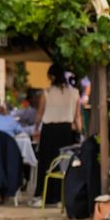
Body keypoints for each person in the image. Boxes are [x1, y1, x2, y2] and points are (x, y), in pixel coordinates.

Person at [29, 64, 82, 207]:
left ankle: (43, 196)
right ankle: (61, 198)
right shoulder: (75, 93)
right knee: (64, 163)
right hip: (66, 131)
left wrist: (35, 128)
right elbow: (77, 117)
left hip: (49, 131)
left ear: (51, 77)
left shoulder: (46, 92)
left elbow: (39, 114)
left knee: (46, 162)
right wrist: (80, 132)